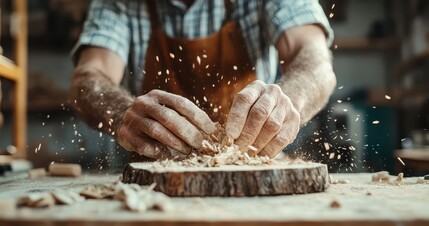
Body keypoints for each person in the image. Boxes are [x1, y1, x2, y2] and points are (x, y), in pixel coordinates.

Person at [70, 0, 336, 160]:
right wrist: (121, 113)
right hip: (155, 176)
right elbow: (90, 77)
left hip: (254, 166)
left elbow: (315, 61)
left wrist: (287, 100)